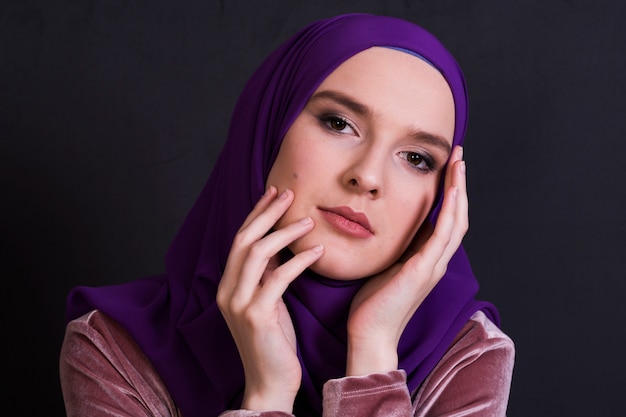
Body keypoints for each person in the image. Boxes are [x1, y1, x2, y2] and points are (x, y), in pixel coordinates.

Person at [59, 13, 514, 417]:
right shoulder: (115, 350)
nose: (369, 177)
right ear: (268, 129)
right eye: (339, 123)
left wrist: (373, 353)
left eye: (417, 158)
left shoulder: (468, 355)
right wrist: (266, 393)